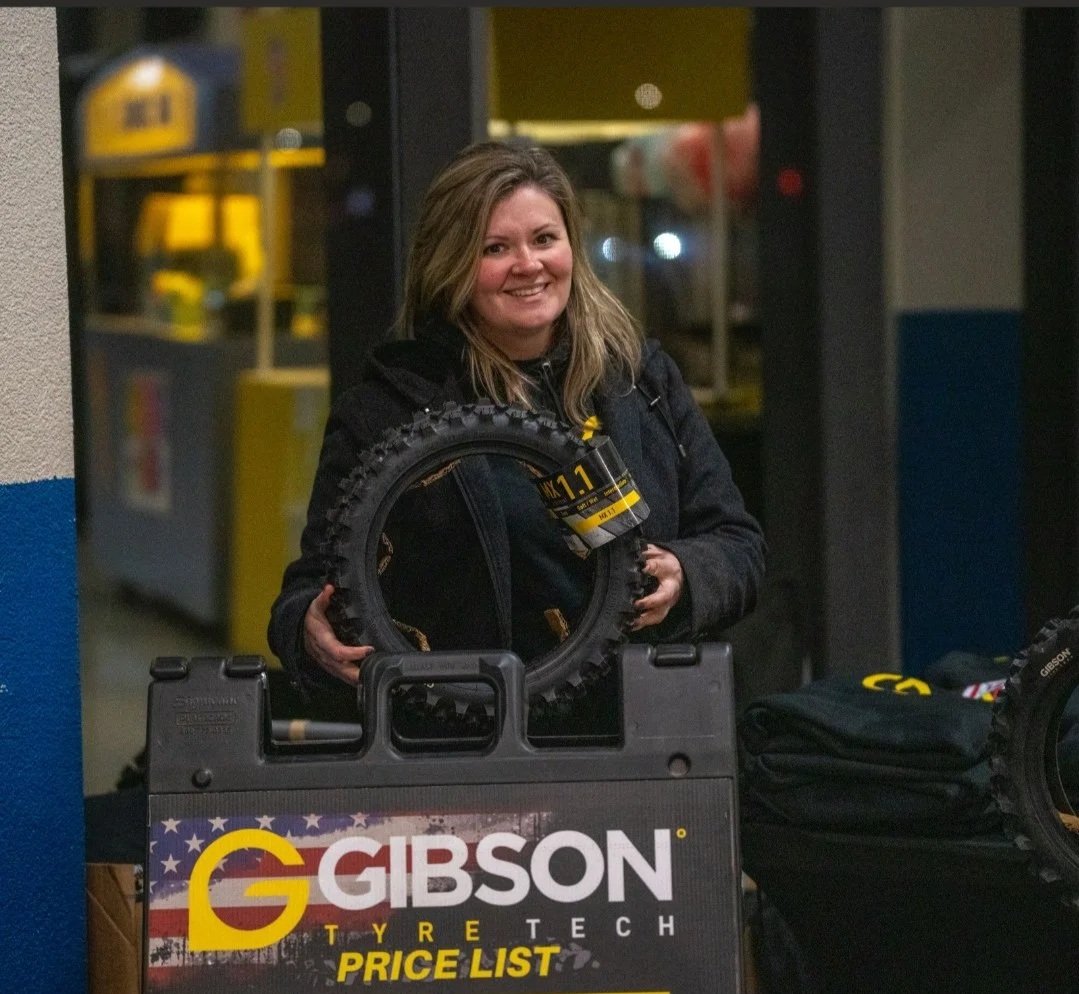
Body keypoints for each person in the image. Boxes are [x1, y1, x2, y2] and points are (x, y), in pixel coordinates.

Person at [268, 139, 766, 731]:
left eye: (544, 239)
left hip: (640, 734)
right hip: (464, 742)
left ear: (572, 248)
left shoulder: (640, 380)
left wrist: (687, 574)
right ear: (450, 264)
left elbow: (738, 545)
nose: (528, 265)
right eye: (495, 248)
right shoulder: (389, 406)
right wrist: (306, 629)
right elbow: (312, 586)